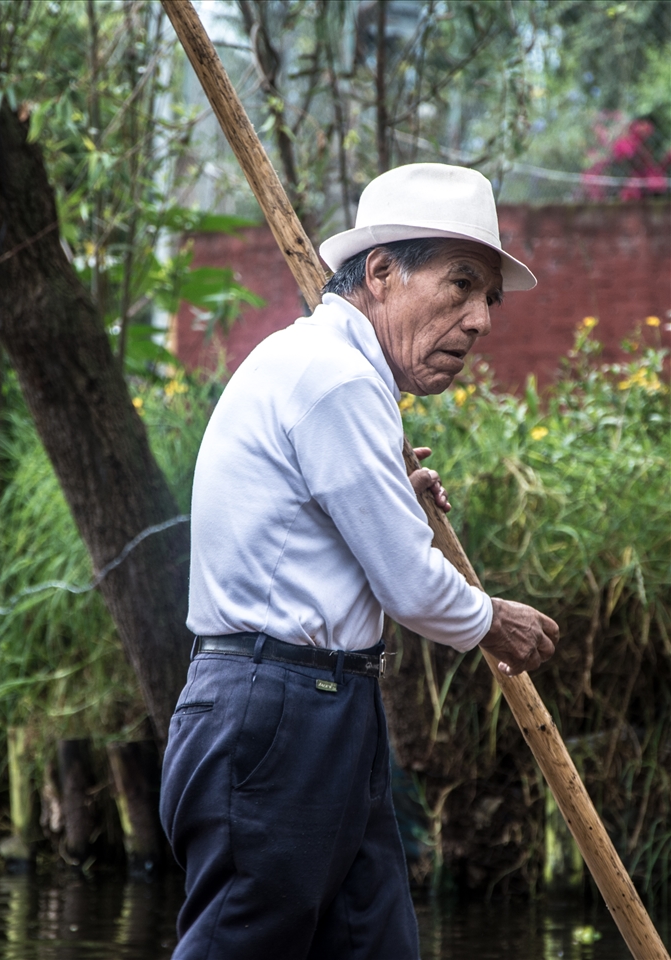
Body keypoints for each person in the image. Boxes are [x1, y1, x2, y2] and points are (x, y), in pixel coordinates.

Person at [159, 163, 559, 960]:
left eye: (488, 300)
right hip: (273, 707)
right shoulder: (336, 377)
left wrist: (387, 488)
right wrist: (490, 622)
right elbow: (409, 583)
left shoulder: (339, 376)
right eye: (460, 286)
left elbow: (308, 526)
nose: (478, 321)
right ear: (380, 273)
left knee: (372, 943)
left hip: (324, 704)